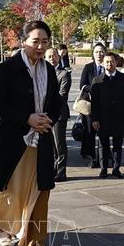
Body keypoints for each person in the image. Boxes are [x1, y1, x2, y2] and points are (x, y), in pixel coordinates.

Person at [0, 20, 61, 246]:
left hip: (42, 139)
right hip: (14, 141)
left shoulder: (48, 70)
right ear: (23, 41)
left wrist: (48, 119)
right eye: (35, 41)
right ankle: (5, 228)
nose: (40, 46)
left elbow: (56, 101)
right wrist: (27, 118)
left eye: (44, 41)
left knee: (40, 192)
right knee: (10, 191)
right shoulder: (7, 69)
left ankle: (36, 244)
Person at [91, 53, 124, 179]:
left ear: (116, 62)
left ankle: (116, 169)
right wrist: (94, 119)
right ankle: (103, 169)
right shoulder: (97, 79)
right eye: (107, 62)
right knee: (103, 145)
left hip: (119, 117)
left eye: (112, 61)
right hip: (103, 118)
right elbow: (94, 103)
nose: (109, 64)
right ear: (103, 64)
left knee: (117, 145)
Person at [45, 48, 71, 182]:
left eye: (54, 55)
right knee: (50, 145)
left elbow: (62, 95)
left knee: (59, 143)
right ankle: (53, 169)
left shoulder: (64, 74)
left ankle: (61, 171)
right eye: (49, 56)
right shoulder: (42, 73)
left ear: (58, 57)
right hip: (45, 114)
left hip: (59, 114)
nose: (51, 58)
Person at [78, 43, 106, 168]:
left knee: (103, 131)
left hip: (104, 106)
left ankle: (104, 157)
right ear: (93, 54)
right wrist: (95, 89)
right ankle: (91, 156)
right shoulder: (88, 67)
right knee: (89, 132)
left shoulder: (108, 66)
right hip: (89, 105)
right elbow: (82, 86)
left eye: (101, 52)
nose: (99, 54)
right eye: (96, 52)